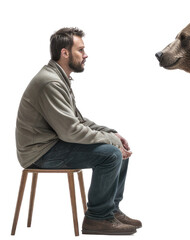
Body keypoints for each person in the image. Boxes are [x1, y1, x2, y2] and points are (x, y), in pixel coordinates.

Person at [15, 27, 141, 235]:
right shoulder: (51, 82)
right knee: (111, 154)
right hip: (40, 153)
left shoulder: (59, 77)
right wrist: (111, 142)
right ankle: (97, 218)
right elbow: (71, 132)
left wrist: (111, 133)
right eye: (80, 50)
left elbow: (77, 120)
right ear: (65, 53)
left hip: (52, 144)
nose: (85, 54)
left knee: (116, 148)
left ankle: (110, 209)